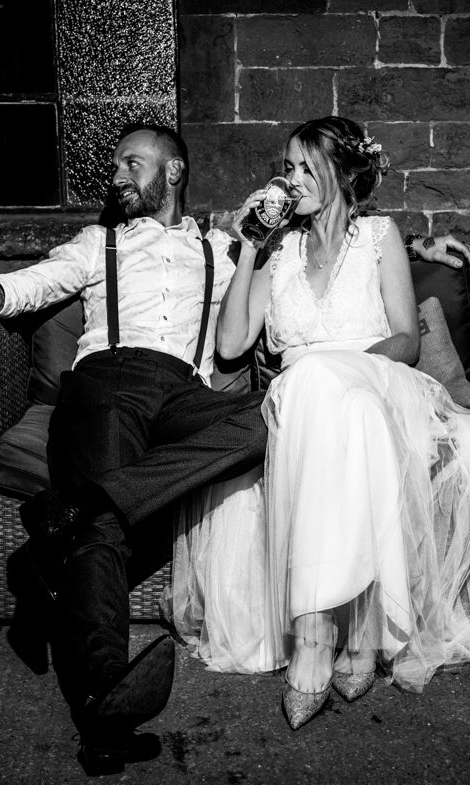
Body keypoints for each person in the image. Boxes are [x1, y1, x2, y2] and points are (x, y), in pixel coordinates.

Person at [0, 123, 269, 775]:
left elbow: (295, 281)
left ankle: (70, 515)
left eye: (132, 163)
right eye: (115, 165)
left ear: (173, 172)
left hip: (185, 392)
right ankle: (104, 708)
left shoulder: (221, 249)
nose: (117, 175)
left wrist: (415, 247)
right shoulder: (98, 243)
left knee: (273, 417)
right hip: (107, 383)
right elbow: (35, 283)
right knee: (105, 533)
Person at [168, 115, 470, 731]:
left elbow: (406, 339)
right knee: (320, 394)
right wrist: (250, 247)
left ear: (343, 174)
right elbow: (231, 345)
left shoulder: (381, 235)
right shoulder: (278, 251)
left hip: (378, 379)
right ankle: (353, 633)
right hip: (303, 402)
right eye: (288, 167)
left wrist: (339, 368)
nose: (293, 179)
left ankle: (316, 637)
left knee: (335, 391)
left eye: (308, 167)